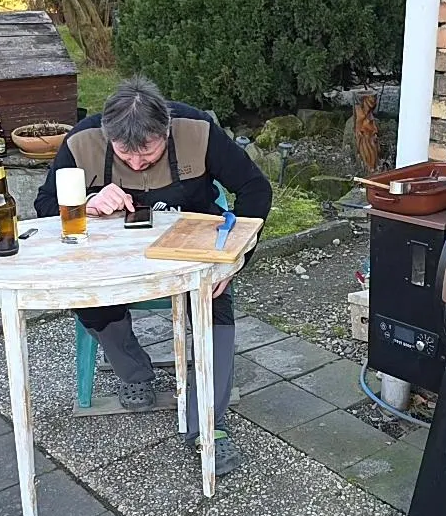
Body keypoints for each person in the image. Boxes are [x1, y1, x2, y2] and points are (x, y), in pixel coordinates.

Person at [35, 76, 272, 475]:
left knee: (215, 308)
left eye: (147, 152)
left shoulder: (197, 130)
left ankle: (207, 424)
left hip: (191, 250)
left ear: (166, 129)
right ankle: (134, 371)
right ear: (107, 135)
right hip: (111, 256)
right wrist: (87, 202)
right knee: (87, 298)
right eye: (124, 153)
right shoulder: (82, 141)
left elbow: (255, 190)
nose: (136, 163)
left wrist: (233, 258)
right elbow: (43, 205)